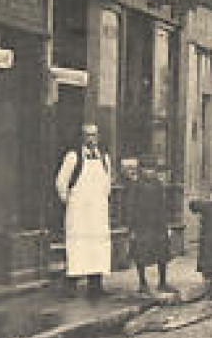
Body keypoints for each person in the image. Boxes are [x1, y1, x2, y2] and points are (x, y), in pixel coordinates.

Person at [56, 123, 113, 298]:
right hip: (79, 211)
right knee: (77, 246)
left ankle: (95, 286)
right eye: (88, 135)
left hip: (98, 211)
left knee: (98, 247)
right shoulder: (73, 157)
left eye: (94, 135)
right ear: (82, 137)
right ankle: (70, 286)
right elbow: (61, 182)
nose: (91, 139)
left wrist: (101, 201)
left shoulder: (104, 158)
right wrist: (70, 201)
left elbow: (107, 183)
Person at [121, 158, 175, 295]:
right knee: (141, 254)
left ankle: (162, 282)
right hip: (141, 225)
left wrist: (167, 225)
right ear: (141, 170)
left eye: (152, 169)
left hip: (158, 224)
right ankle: (142, 283)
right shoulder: (136, 185)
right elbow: (130, 207)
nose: (150, 172)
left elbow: (163, 206)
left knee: (162, 253)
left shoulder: (158, 184)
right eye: (146, 169)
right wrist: (131, 228)